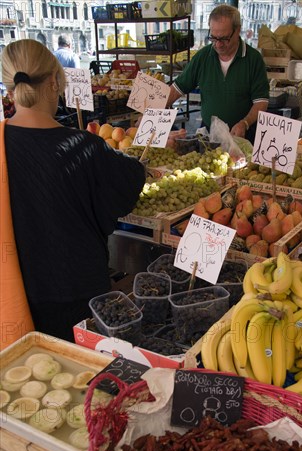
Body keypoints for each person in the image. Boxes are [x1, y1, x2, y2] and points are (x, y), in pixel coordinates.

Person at [0, 39, 145, 347]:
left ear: (10, 87)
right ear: (55, 81)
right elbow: (129, 183)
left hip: (15, 294)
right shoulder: (84, 147)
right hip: (80, 298)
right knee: (85, 383)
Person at [166, 5, 269, 144]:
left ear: (237, 30)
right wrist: (151, 114)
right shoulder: (203, 57)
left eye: (224, 39)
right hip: (209, 135)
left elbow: (261, 102)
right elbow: (177, 88)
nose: (218, 44)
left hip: (244, 136)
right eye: (213, 38)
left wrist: (244, 123)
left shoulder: (253, 59)